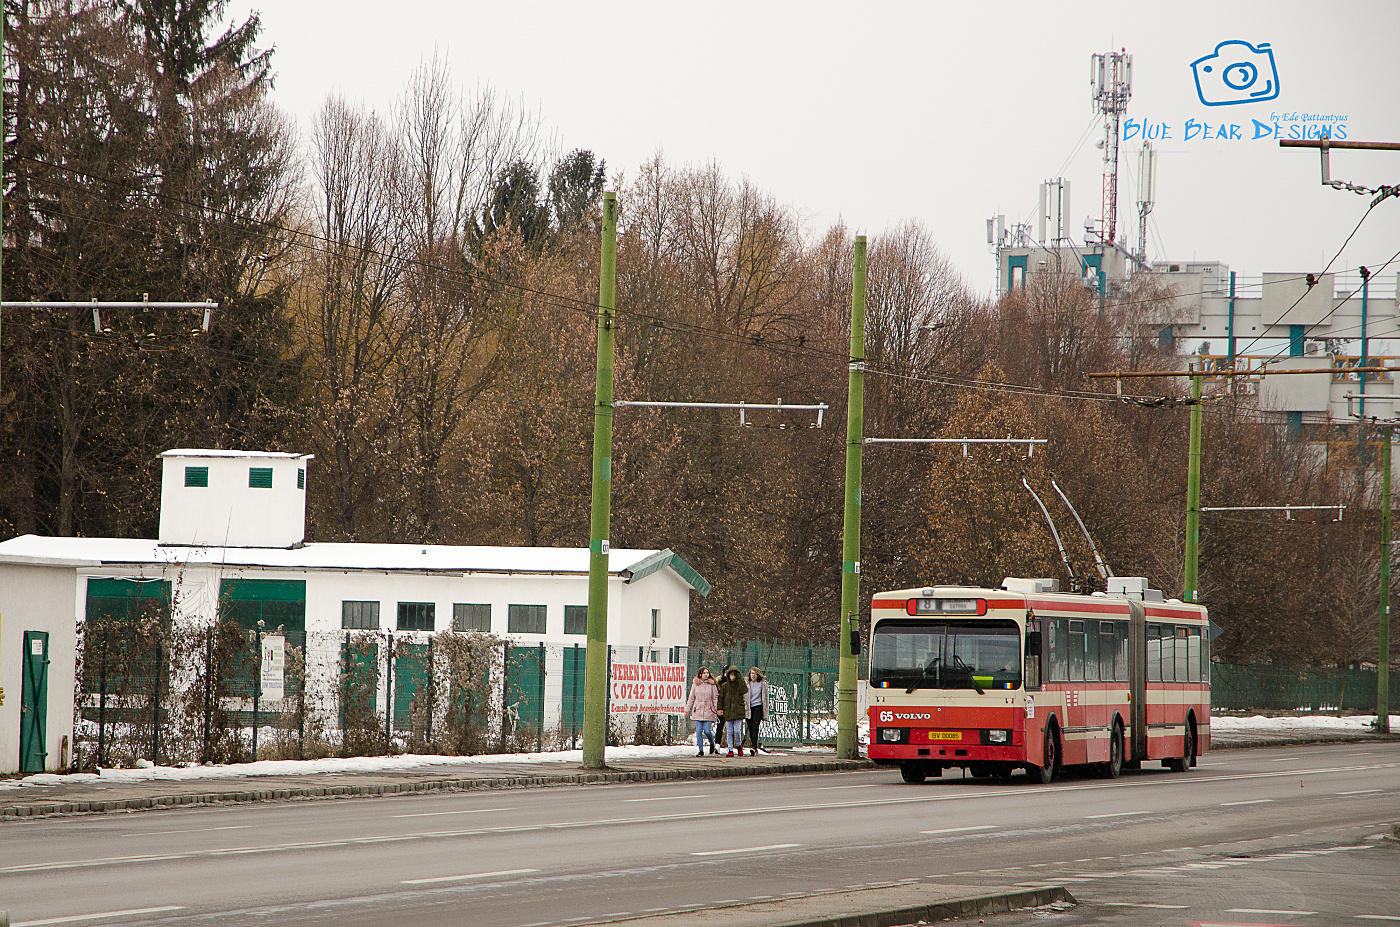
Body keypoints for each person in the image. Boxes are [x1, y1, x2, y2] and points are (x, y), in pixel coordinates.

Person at [716, 665, 750, 757]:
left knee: (737, 730)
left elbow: (744, 690)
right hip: (728, 710)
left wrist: (740, 678)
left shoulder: (740, 685)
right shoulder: (725, 686)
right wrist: (720, 709)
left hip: (738, 710)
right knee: (729, 731)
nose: (733, 677)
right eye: (731, 675)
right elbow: (721, 698)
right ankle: (730, 749)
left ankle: (738, 745)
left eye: (734, 675)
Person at [685, 666, 719, 756]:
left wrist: (716, 709)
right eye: (704, 673)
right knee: (699, 731)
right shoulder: (695, 684)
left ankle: (712, 743)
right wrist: (687, 710)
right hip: (698, 709)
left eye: (707, 673)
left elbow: (715, 698)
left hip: (708, 710)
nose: (706, 674)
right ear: (700, 674)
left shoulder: (712, 685)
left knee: (707, 731)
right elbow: (691, 697)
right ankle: (701, 750)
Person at [745, 667, 773, 754]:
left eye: (755, 674)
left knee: (755, 726)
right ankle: (753, 743)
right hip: (749, 707)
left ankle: (754, 746)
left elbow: (765, 697)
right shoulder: (747, 683)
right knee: (750, 727)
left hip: (758, 706)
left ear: (758, 675)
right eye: (751, 673)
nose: (753, 675)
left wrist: (765, 708)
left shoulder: (762, 684)